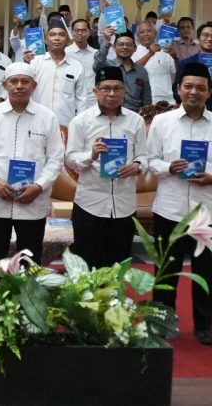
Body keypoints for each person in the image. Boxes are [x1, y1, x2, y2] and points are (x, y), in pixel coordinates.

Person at [147, 61, 212, 345]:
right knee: (165, 272)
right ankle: (162, 322)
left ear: (209, 92)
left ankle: (206, 325)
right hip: (169, 208)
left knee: (207, 273)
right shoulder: (161, 122)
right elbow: (149, 161)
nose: (194, 92)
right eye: (188, 86)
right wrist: (168, 167)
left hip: (205, 212)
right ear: (178, 89)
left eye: (200, 87)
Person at [0, 63, 64, 262]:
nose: (19, 86)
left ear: (34, 85)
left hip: (32, 201)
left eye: (25, 81)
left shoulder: (48, 117)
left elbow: (56, 158)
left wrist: (39, 186)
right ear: (5, 84)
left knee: (29, 260)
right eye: (14, 81)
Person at [65, 66, 148, 269]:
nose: (112, 93)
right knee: (86, 266)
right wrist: (91, 155)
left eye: (117, 88)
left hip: (124, 205)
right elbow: (69, 159)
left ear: (125, 90)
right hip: (90, 204)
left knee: (117, 265)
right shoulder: (81, 121)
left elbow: (145, 156)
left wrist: (137, 166)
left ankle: (114, 301)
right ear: (95, 91)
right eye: (106, 88)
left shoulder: (136, 121)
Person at [25, 18, 87, 131]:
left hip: (66, 124)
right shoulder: (34, 62)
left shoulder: (76, 66)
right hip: (35, 122)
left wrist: (79, 124)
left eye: (61, 35)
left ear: (68, 40)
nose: (57, 38)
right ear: (46, 39)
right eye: (52, 34)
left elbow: (81, 99)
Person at [93, 29, 152, 113]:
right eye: (121, 44)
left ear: (134, 48)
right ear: (114, 47)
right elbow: (97, 64)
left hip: (134, 117)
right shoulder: (107, 66)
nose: (125, 47)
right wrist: (107, 41)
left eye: (128, 45)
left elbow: (147, 100)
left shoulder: (141, 71)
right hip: (109, 115)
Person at [133, 21, 176, 105]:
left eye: (149, 31)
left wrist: (176, 57)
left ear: (156, 33)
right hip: (143, 101)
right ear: (137, 36)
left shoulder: (166, 51)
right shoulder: (133, 51)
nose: (146, 34)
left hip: (167, 101)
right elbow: (133, 71)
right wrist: (149, 54)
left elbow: (176, 72)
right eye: (142, 32)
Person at [175, 23, 212, 111]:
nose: (210, 39)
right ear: (199, 38)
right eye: (205, 35)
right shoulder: (186, 63)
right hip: (192, 111)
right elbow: (176, 88)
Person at [66, 18, 99, 112]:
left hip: (91, 100)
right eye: (77, 30)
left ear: (89, 32)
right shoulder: (65, 52)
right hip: (70, 100)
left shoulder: (96, 54)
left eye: (83, 30)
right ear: (72, 32)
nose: (80, 33)